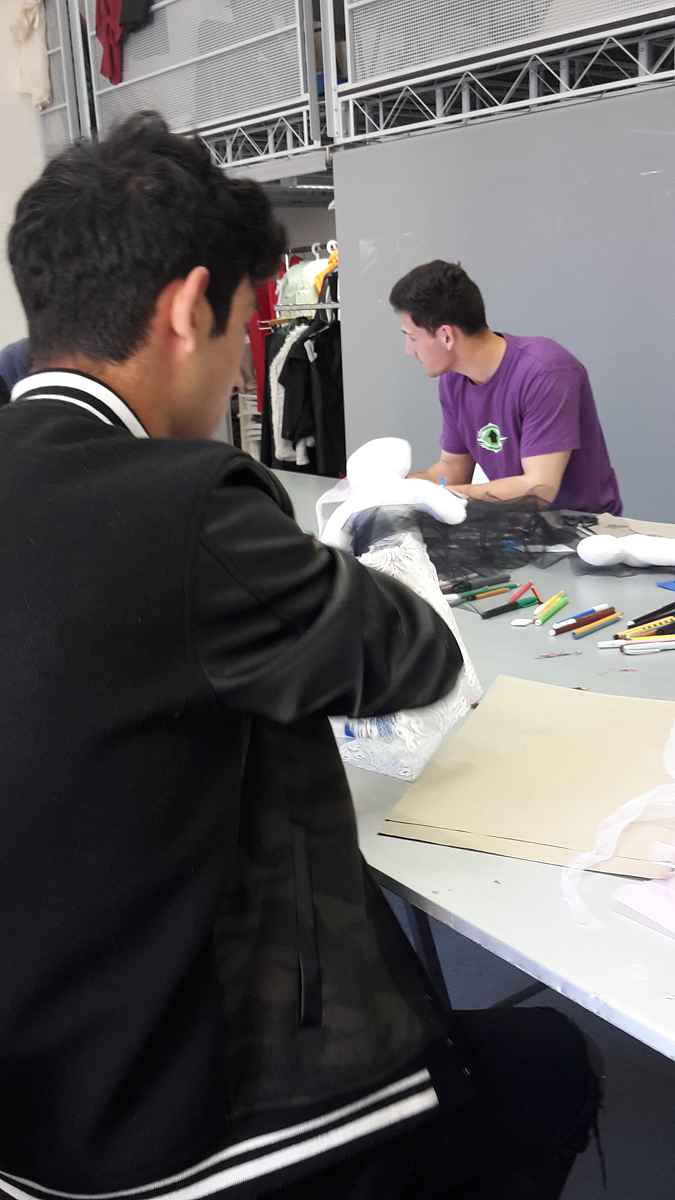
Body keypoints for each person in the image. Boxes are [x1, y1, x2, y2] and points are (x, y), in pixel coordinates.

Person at [0, 112, 600, 1199]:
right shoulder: (180, 505)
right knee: (551, 1065)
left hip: (32, 1102)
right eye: (244, 331)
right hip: (167, 1132)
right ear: (190, 310)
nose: (241, 373)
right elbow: (409, 655)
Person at [390, 260, 622, 514]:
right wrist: (398, 489)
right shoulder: (453, 379)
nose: (409, 351)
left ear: (446, 336)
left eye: (412, 337)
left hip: (584, 529)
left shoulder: (546, 372)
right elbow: (452, 469)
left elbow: (539, 489)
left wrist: (440, 494)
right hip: (517, 526)